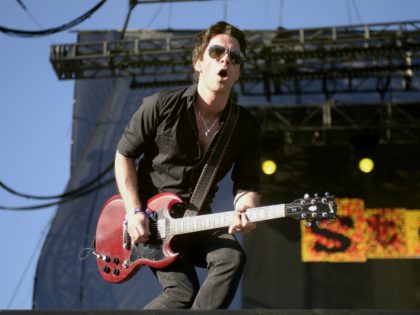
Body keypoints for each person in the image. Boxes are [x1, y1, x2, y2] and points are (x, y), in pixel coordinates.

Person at [114, 20, 261, 309]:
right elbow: (124, 155)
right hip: (151, 222)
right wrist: (133, 211)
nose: (225, 60)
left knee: (231, 257)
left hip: (195, 219)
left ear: (238, 71)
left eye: (235, 57)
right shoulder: (161, 105)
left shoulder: (245, 127)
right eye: (217, 52)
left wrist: (248, 208)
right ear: (198, 62)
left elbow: (247, 185)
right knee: (181, 293)